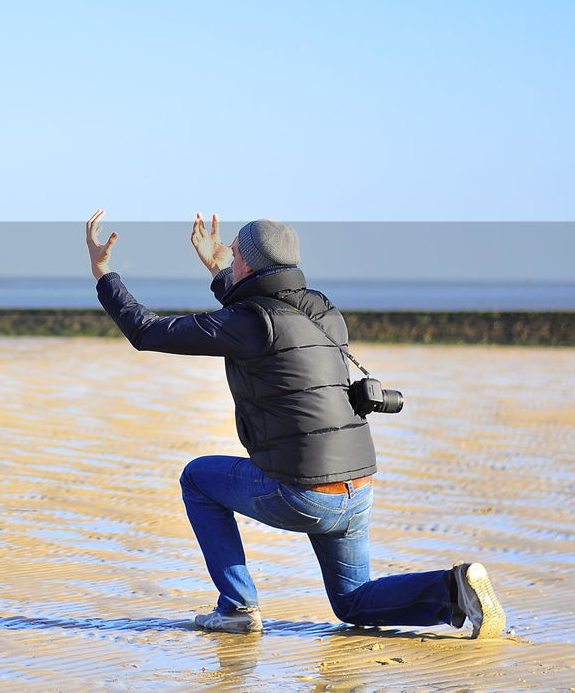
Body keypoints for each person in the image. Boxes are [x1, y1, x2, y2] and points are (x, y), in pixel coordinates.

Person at [84, 209, 506, 638]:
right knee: (352, 601)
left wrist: (104, 274)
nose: (229, 258)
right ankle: (455, 589)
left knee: (196, 478)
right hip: (357, 484)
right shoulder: (324, 311)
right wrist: (219, 271)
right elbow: (259, 308)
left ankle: (236, 608)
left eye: (234, 255)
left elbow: (149, 332)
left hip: (304, 491)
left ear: (246, 263)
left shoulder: (250, 322)